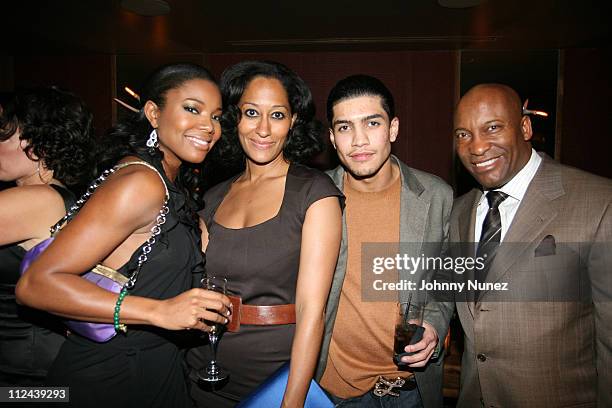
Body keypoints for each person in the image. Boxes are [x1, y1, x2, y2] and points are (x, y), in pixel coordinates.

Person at [16, 63, 232, 408]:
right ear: (153, 113)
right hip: (109, 377)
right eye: (192, 108)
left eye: (217, 116)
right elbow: (35, 285)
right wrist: (158, 311)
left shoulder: (171, 183)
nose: (208, 126)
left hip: (154, 367)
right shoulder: (141, 183)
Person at [186, 60, 343, 407]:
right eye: (252, 113)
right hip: (201, 369)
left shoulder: (314, 193)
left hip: (271, 378)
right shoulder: (213, 196)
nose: (263, 130)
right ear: (234, 119)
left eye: (277, 115)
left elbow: (311, 311)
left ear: (293, 121)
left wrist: (293, 400)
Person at [451, 83, 612, 407]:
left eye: (492, 128)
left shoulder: (598, 201)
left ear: (525, 127)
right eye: (463, 134)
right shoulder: (460, 212)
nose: (477, 146)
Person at [315, 75, 454, 408]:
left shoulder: (437, 196)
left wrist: (435, 324)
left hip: (412, 391)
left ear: (392, 129)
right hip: (336, 390)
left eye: (371, 123)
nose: (359, 141)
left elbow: (448, 277)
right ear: (332, 138)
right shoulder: (313, 197)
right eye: (345, 127)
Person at [0, 87, 95, 385]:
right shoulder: (57, 195)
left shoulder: (38, 200)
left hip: (27, 375)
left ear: (37, 143)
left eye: (3, 134)